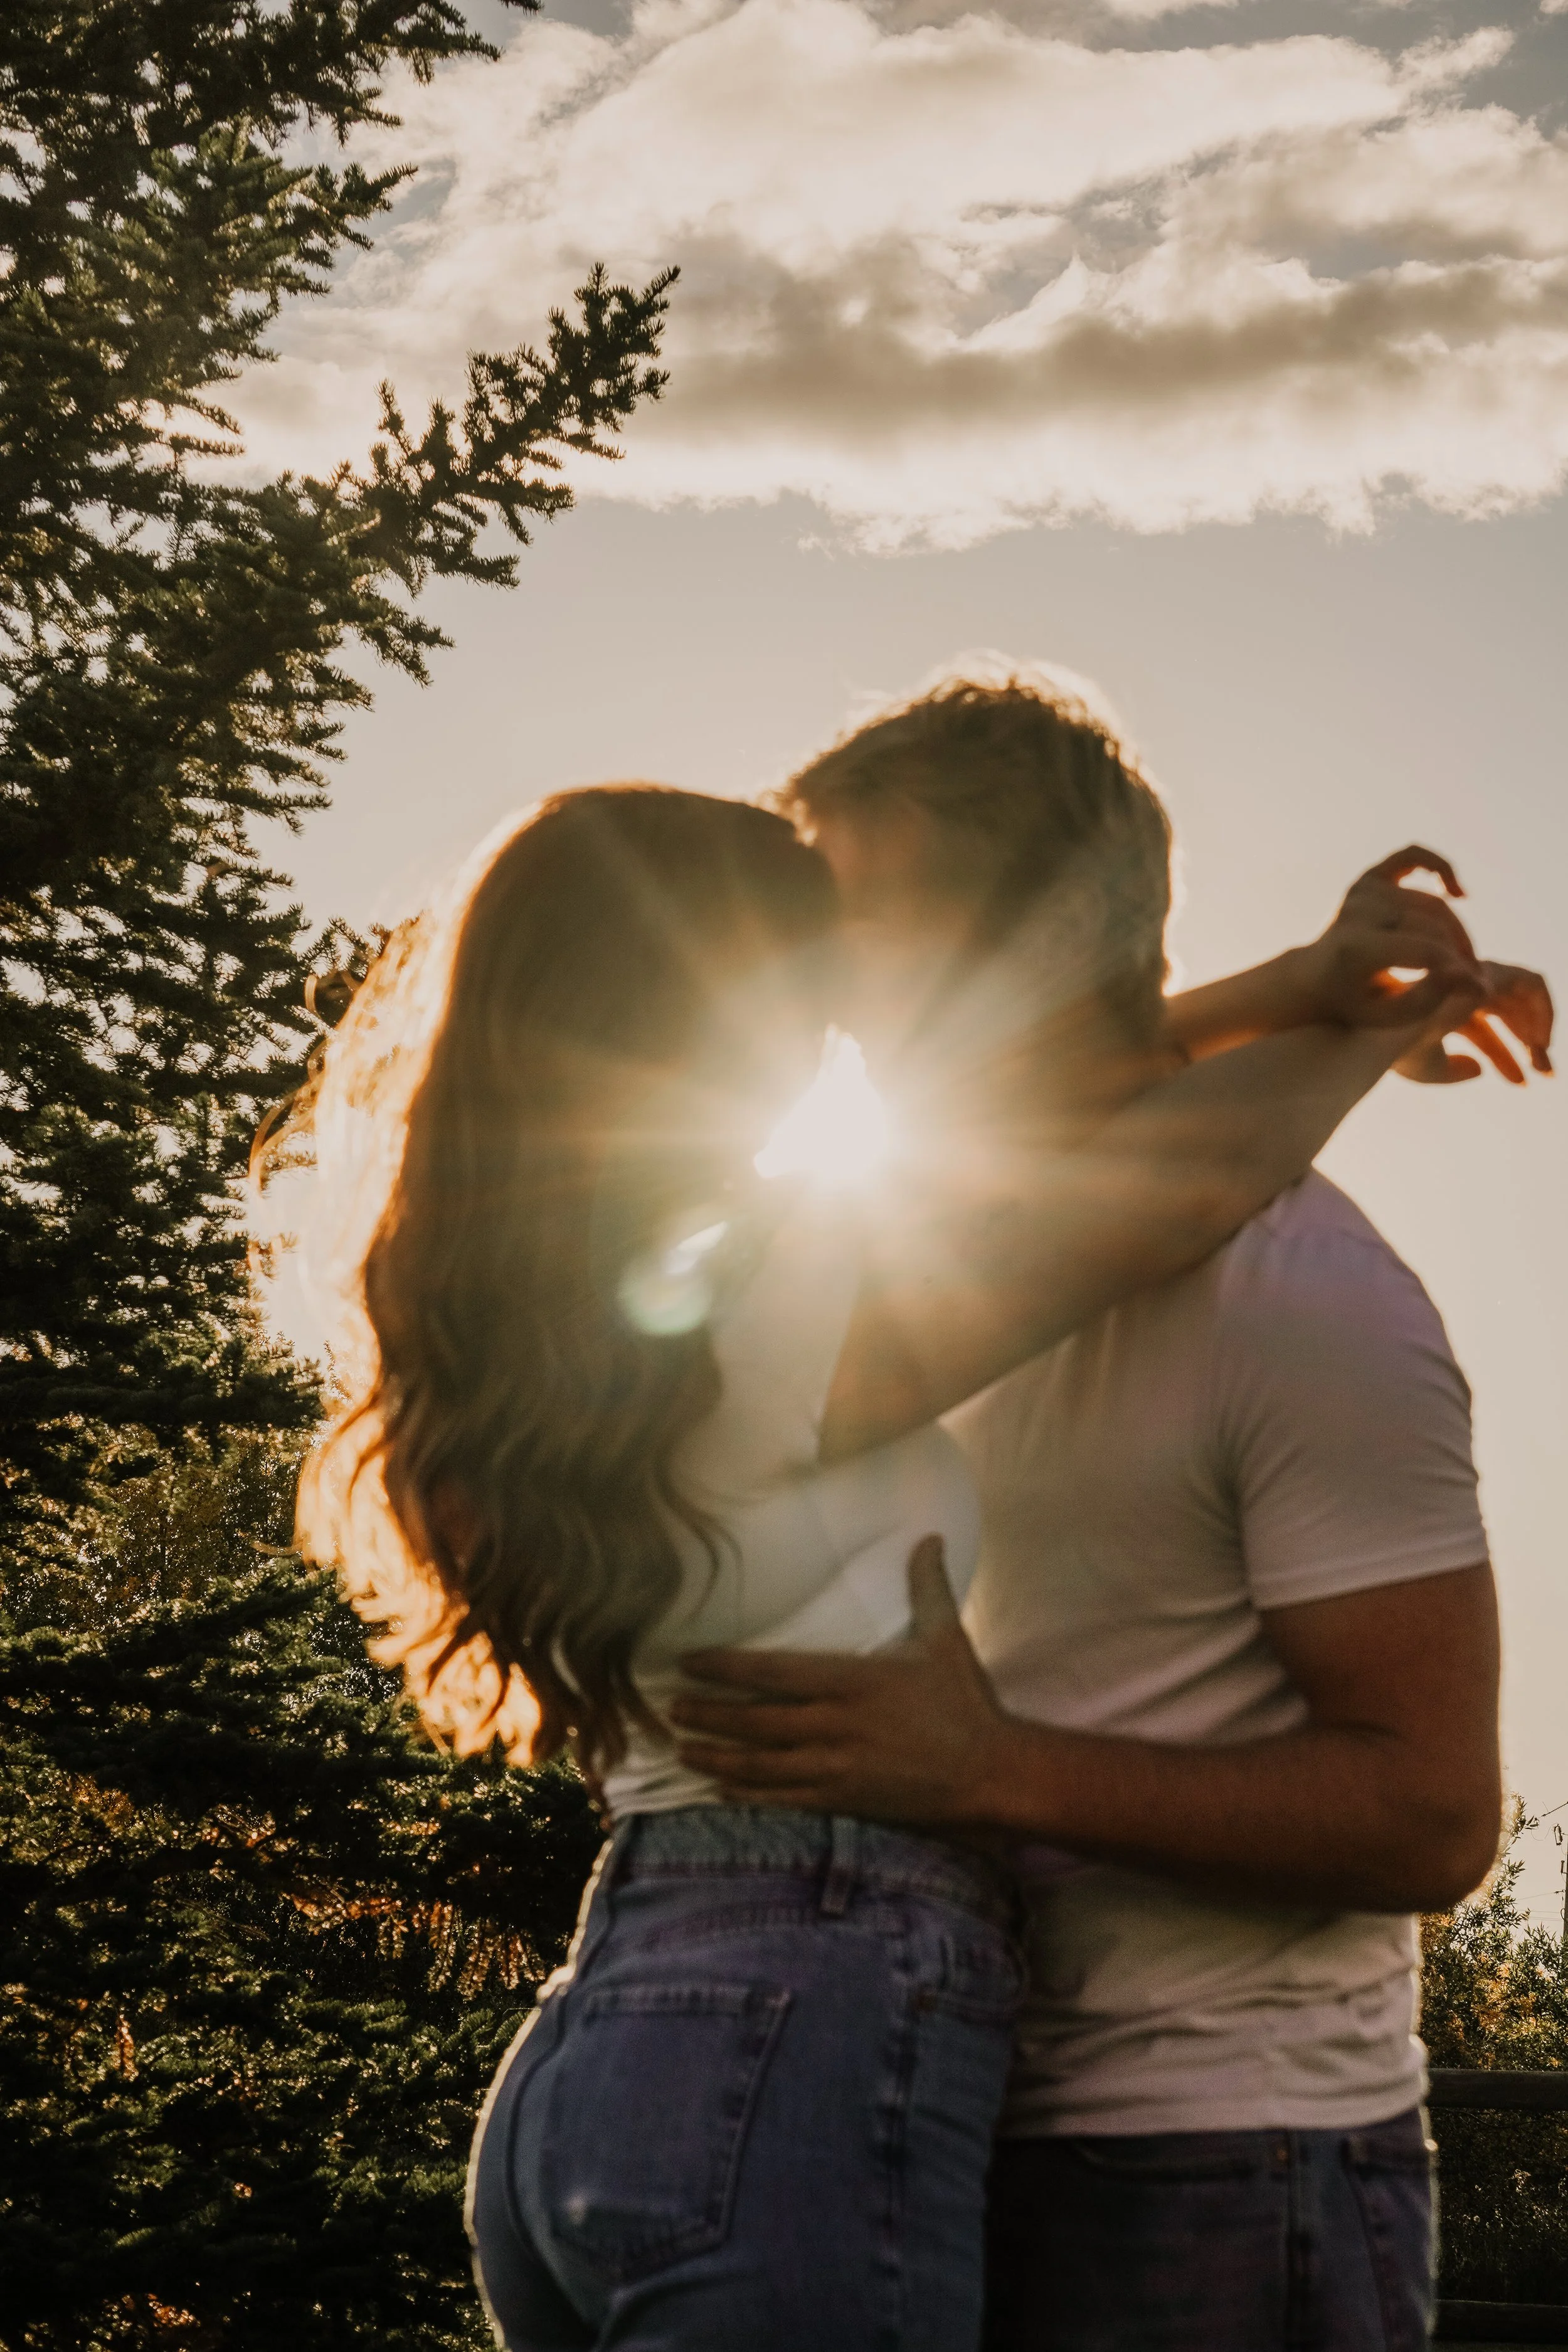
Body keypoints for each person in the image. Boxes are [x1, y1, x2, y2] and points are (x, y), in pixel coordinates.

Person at [289, 770, 1497, 2352]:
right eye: (823, 962)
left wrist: (1278, 986)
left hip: (607, 2047)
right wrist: (1370, 1026)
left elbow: (1004, 1127)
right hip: (791, 2023)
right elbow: (1169, 1182)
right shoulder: (788, 1297)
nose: (864, 1007)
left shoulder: (585, 1300)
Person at [668, 676, 1554, 2352]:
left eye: (855, 925)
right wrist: (1314, 1001)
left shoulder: (1303, 1297)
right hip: (919, 2109)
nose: (813, 983)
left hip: (1216, 2157)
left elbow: (1434, 1816)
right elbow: (1086, 1121)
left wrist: (984, 1767)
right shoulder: (893, 1248)